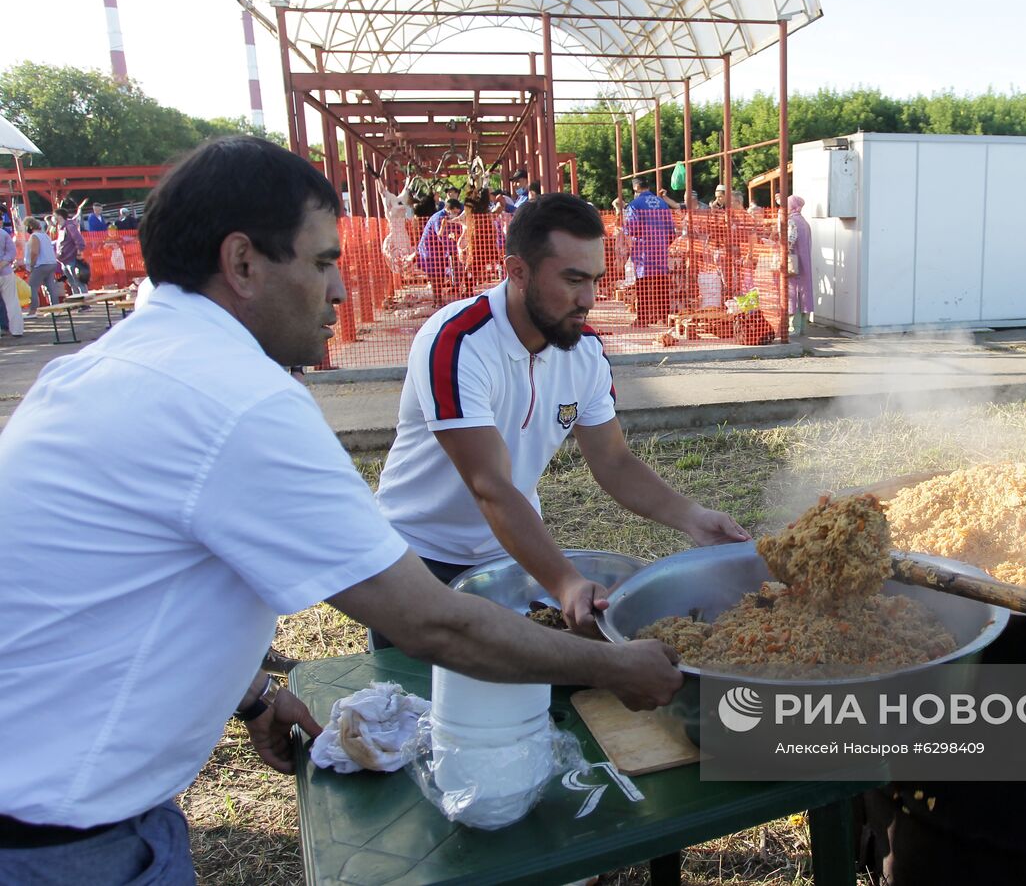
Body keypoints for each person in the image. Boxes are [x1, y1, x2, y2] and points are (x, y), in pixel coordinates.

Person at [0, 137, 682, 884]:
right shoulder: (240, 401)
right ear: (242, 262)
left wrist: (253, 693)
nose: (339, 289)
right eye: (324, 261)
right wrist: (613, 664)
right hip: (58, 846)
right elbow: (433, 622)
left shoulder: (100, 369)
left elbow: (110, 598)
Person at [373, 192, 748, 644]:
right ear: (518, 272)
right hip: (416, 558)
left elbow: (613, 461)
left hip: (511, 558)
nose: (589, 299)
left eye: (595, 279)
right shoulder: (456, 341)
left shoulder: (585, 351)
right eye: (573, 280)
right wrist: (566, 582)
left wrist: (693, 517)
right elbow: (489, 485)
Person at [623, 177, 676, 325]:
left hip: (643, 251)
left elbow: (631, 228)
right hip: (660, 251)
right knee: (661, 283)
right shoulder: (662, 203)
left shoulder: (634, 205)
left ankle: (643, 318)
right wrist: (664, 244)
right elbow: (671, 230)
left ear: (635, 188)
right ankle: (664, 317)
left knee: (643, 285)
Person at [21, 215, 62, 314]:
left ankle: (33, 310)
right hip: (51, 263)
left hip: (41, 265)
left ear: (30, 227)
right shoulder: (45, 236)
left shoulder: (34, 236)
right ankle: (56, 308)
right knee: (51, 287)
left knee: (32, 287)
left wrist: (32, 264)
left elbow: (34, 252)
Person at [786, 195, 813, 335]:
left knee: (793, 292)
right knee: (804, 292)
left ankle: (793, 327)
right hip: (805, 262)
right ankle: (802, 327)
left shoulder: (791, 221)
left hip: (794, 263)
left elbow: (790, 241)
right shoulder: (804, 222)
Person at [53, 202, 88, 297]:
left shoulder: (69, 226)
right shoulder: (61, 228)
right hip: (64, 261)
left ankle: (85, 301)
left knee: (78, 282)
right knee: (72, 283)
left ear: (59, 216)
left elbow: (79, 240)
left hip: (71, 259)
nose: (53, 218)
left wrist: (79, 253)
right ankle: (78, 300)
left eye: (54, 216)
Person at [0, 225, 20, 337]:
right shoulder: (3, 233)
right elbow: (12, 252)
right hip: (5, 271)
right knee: (12, 301)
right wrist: (4, 262)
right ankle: (17, 330)